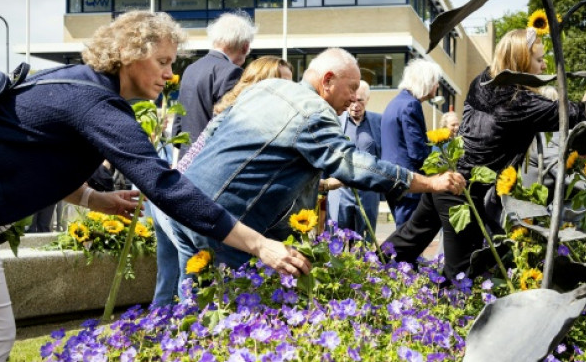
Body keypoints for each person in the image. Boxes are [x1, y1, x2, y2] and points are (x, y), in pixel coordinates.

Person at [0, 11, 309, 362]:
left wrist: (92, 198)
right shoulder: (96, 102)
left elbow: (29, 153)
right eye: (162, 62)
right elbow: (165, 184)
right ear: (125, 54)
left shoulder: (70, 83)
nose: (171, 75)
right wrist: (259, 245)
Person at [171, 48, 466, 278]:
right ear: (327, 81)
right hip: (224, 220)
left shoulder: (268, 87)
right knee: (246, 310)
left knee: (197, 310)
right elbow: (352, 163)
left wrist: (177, 183)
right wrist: (429, 182)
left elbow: (213, 129)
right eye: (351, 88)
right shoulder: (313, 110)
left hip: (185, 205)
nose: (353, 99)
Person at [385, 27, 585, 281]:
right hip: (462, 191)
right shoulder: (518, 102)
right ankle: (451, 315)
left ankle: (366, 272)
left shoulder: (482, 81)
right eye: (538, 59)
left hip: (445, 175)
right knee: (460, 275)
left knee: (407, 241)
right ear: (522, 61)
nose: (544, 64)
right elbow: (572, 114)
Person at [153, 55, 293, 306]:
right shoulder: (242, 121)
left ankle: (174, 337)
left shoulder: (230, 112)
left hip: (176, 199)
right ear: (263, 85)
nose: (290, 94)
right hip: (187, 205)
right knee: (203, 289)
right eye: (283, 85)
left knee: (184, 289)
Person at [175, 11, 256, 158]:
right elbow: (228, 124)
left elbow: (178, 122)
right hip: (210, 159)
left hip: (186, 159)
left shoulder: (191, 69)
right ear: (245, 47)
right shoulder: (232, 72)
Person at [381, 58, 444, 226]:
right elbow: (418, 152)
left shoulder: (395, 103)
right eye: (435, 81)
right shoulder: (411, 105)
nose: (437, 85)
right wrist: (441, 170)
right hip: (409, 186)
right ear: (427, 81)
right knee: (409, 237)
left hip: (393, 183)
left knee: (403, 235)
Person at [324, 80, 384, 240]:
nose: (356, 105)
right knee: (337, 237)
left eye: (360, 101)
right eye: (353, 100)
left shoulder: (378, 122)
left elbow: (383, 154)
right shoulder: (335, 121)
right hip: (340, 191)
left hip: (368, 191)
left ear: (368, 100)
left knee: (365, 240)